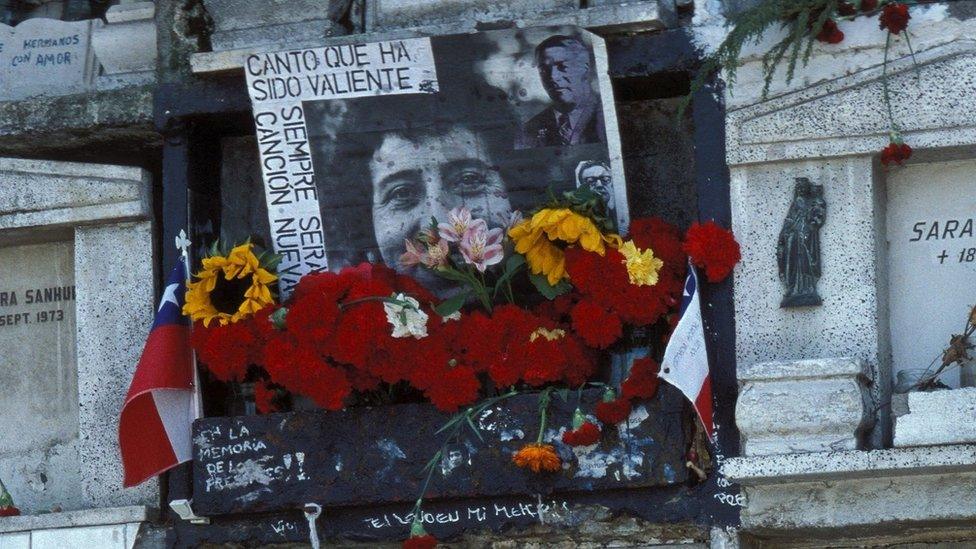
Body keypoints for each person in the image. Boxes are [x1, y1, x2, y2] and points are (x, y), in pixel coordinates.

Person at [516, 34, 605, 149]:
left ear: (584, 67)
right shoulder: (528, 130)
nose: (553, 76)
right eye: (543, 70)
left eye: (562, 66)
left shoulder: (608, 114)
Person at [575, 160, 616, 230]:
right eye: (590, 181)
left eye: (605, 179)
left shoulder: (619, 218)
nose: (599, 184)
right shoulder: (578, 222)